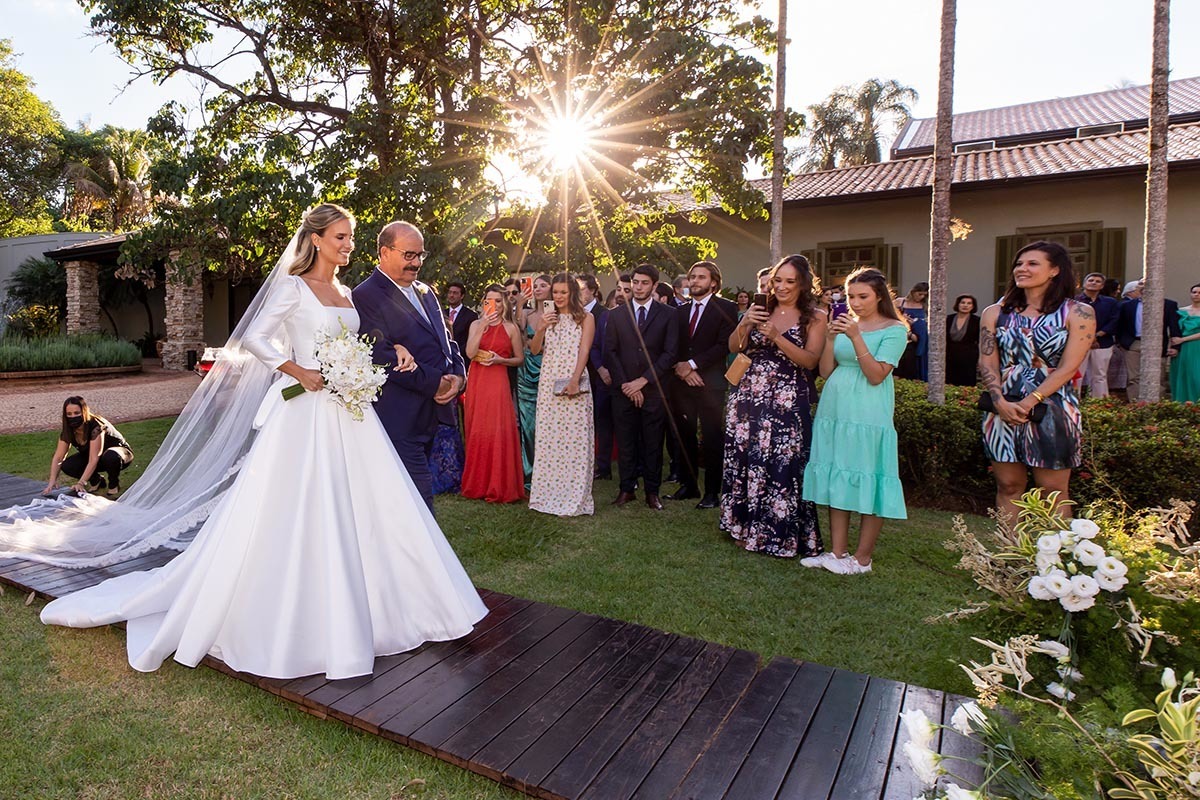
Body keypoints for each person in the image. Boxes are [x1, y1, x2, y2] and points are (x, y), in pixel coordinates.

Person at [28, 204, 489, 679]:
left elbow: (357, 342)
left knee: (372, 505)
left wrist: (393, 351)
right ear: (316, 239)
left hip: (349, 413)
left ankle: (387, 603)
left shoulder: (347, 292)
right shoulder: (293, 287)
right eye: (340, 237)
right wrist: (297, 370)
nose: (348, 245)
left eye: (351, 237)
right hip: (305, 413)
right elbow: (255, 339)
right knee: (298, 507)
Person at [979, 241, 1095, 526]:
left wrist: (1030, 401)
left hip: (1054, 406)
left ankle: (1055, 551)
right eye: (1019, 264)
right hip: (1003, 406)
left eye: (1032, 263)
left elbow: (1069, 366)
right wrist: (999, 402)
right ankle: (1008, 550)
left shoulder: (1078, 312)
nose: (1022, 269)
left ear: (1055, 270)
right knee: (1008, 485)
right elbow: (987, 361)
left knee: (1052, 491)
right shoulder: (995, 312)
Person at [354, 221, 467, 513]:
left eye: (420, 255)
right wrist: (436, 383)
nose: (416, 263)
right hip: (400, 417)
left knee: (410, 503)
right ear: (384, 252)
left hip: (432, 415)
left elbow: (446, 341)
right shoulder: (365, 295)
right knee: (418, 504)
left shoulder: (425, 291)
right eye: (409, 255)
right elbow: (382, 356)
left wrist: (458, 376)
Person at [802, 267, 908, 574]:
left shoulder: (894, 330)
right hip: (835, 408)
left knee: (869, 477)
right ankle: (837, 553)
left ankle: (862, 560)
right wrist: (831, 340)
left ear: (880, 296)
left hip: (867, 412)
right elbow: (825, 372)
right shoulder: (848, 325)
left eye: (863, 296)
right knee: (838, 474)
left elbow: (876, 375)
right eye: (850, 296)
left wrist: (856, 337)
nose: (855, 303)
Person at [721, 256, 825, 556]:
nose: (781, 286)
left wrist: (777, 337)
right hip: (748, 397)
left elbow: (810, 361)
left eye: (790, 281)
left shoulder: (815, 316)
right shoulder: (761, 309)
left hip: (786, 400)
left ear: (803, 284)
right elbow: (734, 347)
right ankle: (744, 526)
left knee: (781, 462)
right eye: (778, 280)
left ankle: (778, 534)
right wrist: (745, 322)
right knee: (746, 459)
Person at [603, 263, 679, 510]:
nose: (638, 287)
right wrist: (627, 385)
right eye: (635, 282)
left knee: (653, 443)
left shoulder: (668, 314)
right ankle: (626, 489)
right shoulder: (616, 314)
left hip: (654, 390)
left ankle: (652, 492)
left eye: (644, 283)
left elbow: (670, 354)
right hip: (623, 389)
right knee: (626, 442)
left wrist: (643, 381)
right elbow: (610, 352)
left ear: (654, 285)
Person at [667, 261, 738, 509]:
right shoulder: (679, 311)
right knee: (684, 435)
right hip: (682, 383)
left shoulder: (727, 308)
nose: (695, 281)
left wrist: (693, 365)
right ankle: (689, 485)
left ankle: (711, 493)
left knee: (711, 438)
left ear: (713, 282)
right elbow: (672, 345)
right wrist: (683, 369)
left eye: (701, 277)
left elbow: (723, 345)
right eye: (692, 277)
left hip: (711, 384)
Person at [528, 274, 596, 516]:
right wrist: (541, 328)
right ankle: (548, 494)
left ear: (573, 293)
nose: (557, 297)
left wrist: (575, 380)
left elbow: (585, 350)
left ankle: (574, 495)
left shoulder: (586, 318)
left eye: (563, 292)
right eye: (555, 292)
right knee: (549, 439)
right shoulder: (547, 317)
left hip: (575, 380)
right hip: (549, 382)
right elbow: (534, 350)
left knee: (575, 440)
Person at [461, 285, 525, 503]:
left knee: (498, 428)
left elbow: (519, 359)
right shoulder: (475, 324)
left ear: (504, 303)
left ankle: (500, 483)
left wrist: (501, 360)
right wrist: (483, 326)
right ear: (483, 302)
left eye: (498, 301)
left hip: (498, 379)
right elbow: (470, 353)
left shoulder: (511, 328)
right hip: (477, 380)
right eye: (490, 300)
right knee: (478, 427)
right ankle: (478, 484)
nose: (494, 305)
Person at [41, 396, 133, 498]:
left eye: (76, 413)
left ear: (84, 412)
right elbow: (58, 457)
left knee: (110, 456)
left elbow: (94, 458)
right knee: (68, 465)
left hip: (119, 455)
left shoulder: (96, 426)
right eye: (69, 414)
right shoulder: (69, 429)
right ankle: (96, 480)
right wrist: (52, 481)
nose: (73, 417)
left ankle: (113, 485)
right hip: (95, 457)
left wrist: (81, 483)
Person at [1116, 279, 1183, 402]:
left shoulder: (1169, 305)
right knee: (1134, 377)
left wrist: (1175, 347)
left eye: (1147, 283)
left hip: (1157, 344)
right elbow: (1120, 326)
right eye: (1141, 284)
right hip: (1133, 343)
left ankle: (1156, 405)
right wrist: (1122, 343)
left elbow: (1174, 326)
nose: (1144, 286)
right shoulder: (1127, 305)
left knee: (1158, 376)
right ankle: (1136, 405)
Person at [516, 274, 551, 490]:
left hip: (550, 370)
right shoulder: (526, 313)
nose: (537, 289)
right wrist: (520, 304)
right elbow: (519, 338)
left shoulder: (555, 314)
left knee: (549, 425)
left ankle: (550, 472)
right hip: (526, 372)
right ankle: (529, 475)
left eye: (543, 285)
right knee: (529, 426)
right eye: (535, 286)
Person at [578, 273, 614, 480]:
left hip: (599, 375)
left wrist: (601, 368)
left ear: (593, 291)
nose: (578, 294)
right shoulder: (571, 314)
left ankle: (603, 466)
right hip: (577, 374)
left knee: (602, 422)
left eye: (582, 289)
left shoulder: (604, 314)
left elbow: (606, 345)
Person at [1074, 272, 1119, 397]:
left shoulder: (1110, 302)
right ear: (1084, 284)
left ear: (1102, 286)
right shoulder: (1074, 301)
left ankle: (1099, 403)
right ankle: (1073, 401)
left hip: (1103, 343)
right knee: (1076, 374)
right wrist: (1086, 336)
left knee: (1100, 375)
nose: (1094, 283)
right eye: (1091, 280)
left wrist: (1097, 335)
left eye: (1098, 281)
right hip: (1078, 343)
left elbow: (1114, 320)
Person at [1169, 282, 1200, 403]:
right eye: (1194, 292)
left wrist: (1183, 339)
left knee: (1196, 376)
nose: (1196, 295)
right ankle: (1181, 404)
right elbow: (1174, 329)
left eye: (1199, 293)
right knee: (1181, 374)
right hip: (1181, 349)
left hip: (1196, 347)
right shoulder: (1181, 311)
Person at [895, 281, 929, 381]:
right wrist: (902, 317)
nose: (921, 297)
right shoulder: (900, 302)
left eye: (924, 295)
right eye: (920, 294)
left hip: (919, 337)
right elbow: (889, 315)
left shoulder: (925, 305)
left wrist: (917, 322)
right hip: (903, 335)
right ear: (913, 292)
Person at [945, 294, 981, 387]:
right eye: (963, 303)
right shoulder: (948, 319)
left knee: (967, 384)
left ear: (973, 306)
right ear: (958, 304)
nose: (965, 305)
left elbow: (980, 341)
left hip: (969, 357)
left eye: (969, 303)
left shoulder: (977, 321)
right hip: (949, 356)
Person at [444, 281, 478, 359]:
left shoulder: (471, 315)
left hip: (462, 358)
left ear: (462, 296)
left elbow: (471, 339)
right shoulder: (442, 313)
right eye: (450, 292)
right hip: (443, 358)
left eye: (455, 293)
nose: (451, 295)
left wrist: (456, 353)